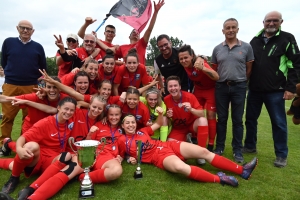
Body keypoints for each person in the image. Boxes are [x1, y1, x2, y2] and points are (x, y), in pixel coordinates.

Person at [117, 108, 258, 187]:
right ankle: (219, 178)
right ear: (122, 126)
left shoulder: (143, 131)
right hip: (158, 156)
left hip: (168, 145)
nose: (131, 125)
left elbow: (159, 123)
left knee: (203, 151)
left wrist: (160, 114)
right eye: (127, 123)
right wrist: (129, 158)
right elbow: (120, 156)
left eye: (132, 122)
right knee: (181, 168)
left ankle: (242, 170)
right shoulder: (121, 140)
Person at [243, 11, 300, 168]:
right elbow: (248, 63)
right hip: (254, 89)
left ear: (281, 22)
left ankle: (281, 155)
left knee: (279, 123)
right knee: (250, 120)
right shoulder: (254, 40)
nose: (271, 23)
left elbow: (296, 64)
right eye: (268, 21)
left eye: (275, 20)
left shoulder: (287, 38)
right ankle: (249, 145)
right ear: (263, 22)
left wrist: (290, 88)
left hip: (276, 90)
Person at [0, 97, 77, 194]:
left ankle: (8, 143)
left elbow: (87, 102)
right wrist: (19, 149)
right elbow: (23, 138)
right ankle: (14, 178)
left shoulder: (70, 121)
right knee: (30, 147)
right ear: (58, 108)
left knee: (67, 157)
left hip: (53, 159)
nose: (69, 112)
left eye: (71, 110)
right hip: (37, 158)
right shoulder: (45, 123)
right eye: (66, 109)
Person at [211, 18, 254, 163]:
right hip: (221, 86)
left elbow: (249, 69)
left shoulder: (246, 47)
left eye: (233, 27)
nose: (230, 30)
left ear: (237, 29)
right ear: (223, 31)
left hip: (239, 86)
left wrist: (241, 80)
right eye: (227, 28)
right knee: (221, 119)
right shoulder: (217, 49)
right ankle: (219, 148)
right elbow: (214, 69)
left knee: (237, 120)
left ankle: (237, 150)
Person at [0, 20, 47, 146]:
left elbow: (43, 67)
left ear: (33, 31)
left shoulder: (38, 47)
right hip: (11, 85)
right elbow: (4, 62)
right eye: (22, 28)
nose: (25, 30)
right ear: (17, 28)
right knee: (8, 116)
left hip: (31, 86)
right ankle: (3, 144)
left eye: (28, 28)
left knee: (29, 118)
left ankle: (23, 143)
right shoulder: (8, 42)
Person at [178, 44, 219, 151]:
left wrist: (203, 68)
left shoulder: (200, 62)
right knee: (194, 113)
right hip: (198, 90)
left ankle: (210, 144)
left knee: (210, 116)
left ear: (192, 56)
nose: (183, 60)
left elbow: (216, 76)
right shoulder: (185, 66)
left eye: (186, 57)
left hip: (210, 90)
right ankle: (194, 138)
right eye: (181, 59)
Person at [98, 0, 165, 65]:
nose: (135, 32)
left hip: (140, 74)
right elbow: (109, 50)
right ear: (129, 37)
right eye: (133, 31)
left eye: (137, 32)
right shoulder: (123, 47)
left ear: (140, 37)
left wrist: (155, 12)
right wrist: (96, 39)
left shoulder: (142, 43)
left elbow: (149, 29)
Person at [164, 76, 208, 165]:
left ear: (180, 86)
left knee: (203, 121)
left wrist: (191, 109)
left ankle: (201, 154)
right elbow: (165, 119)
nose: (173, 88)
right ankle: (186, 140)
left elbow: (202, 114)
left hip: (191, 125)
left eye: (175, 86)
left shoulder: (190, 96)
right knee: (171, 146)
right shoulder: (166, 99)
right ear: (167, 88)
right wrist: (168, 116)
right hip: (178, 128)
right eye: (170, 86)